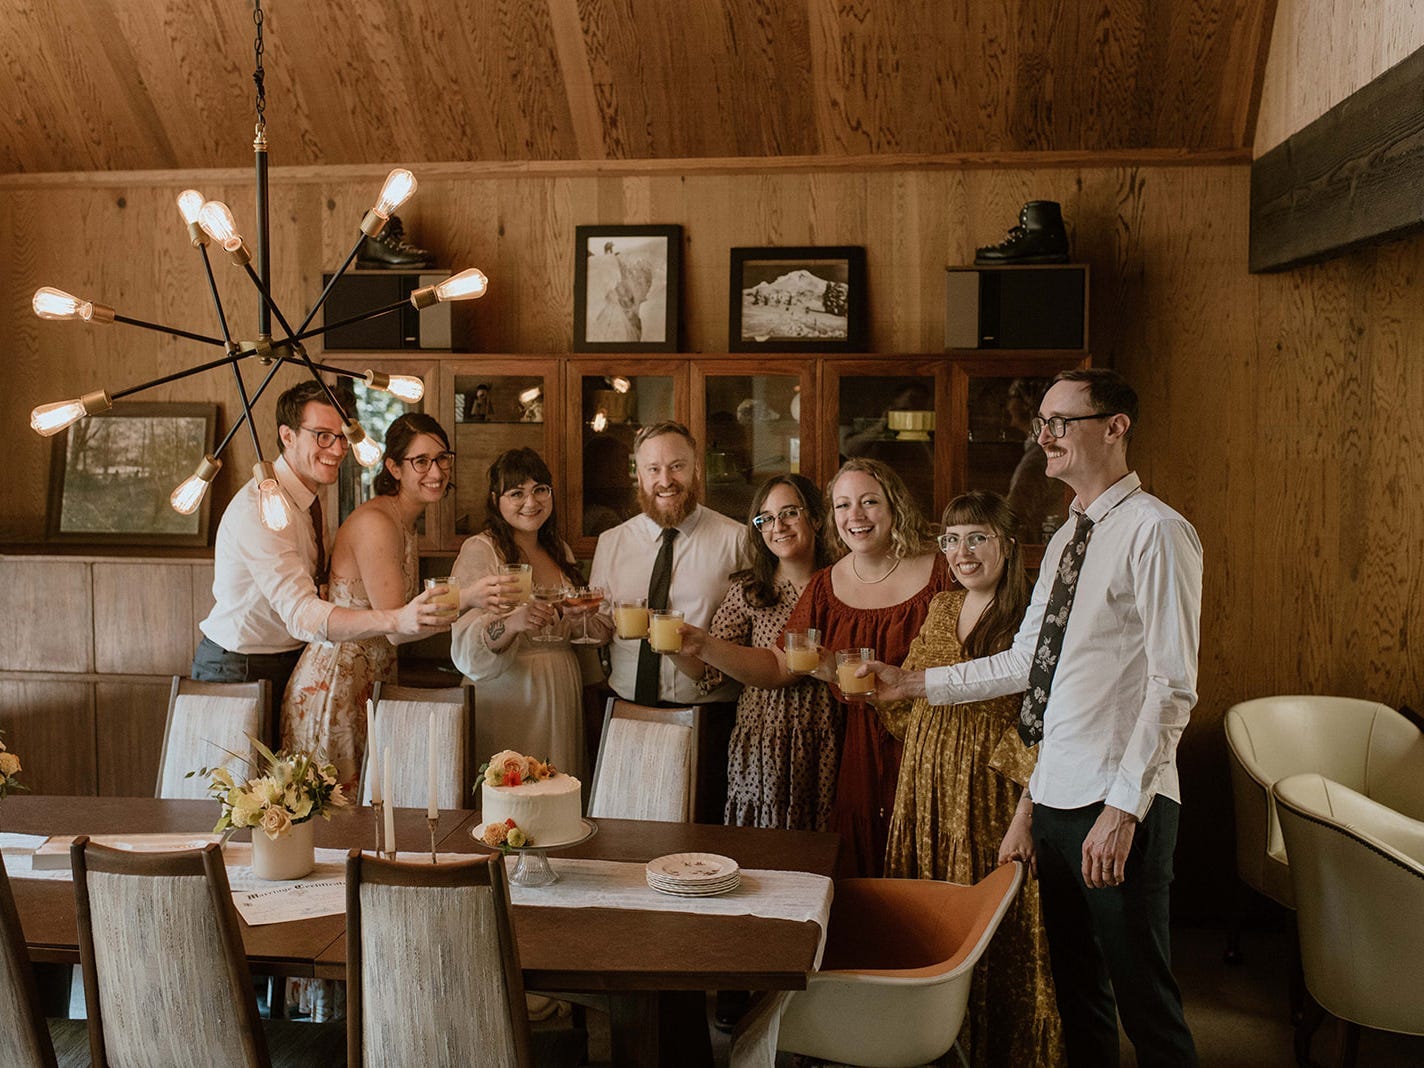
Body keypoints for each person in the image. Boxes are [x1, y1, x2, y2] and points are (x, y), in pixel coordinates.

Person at [869, 369, 1202, 1066]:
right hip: (1054, 799)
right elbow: (1029, 668)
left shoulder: (1158, 533)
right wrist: (911, 683)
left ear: (1115, 428)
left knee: (1146, 1006)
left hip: (1118, 803)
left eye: (1060, 423)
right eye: (1040, 423)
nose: (1043, 437)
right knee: (1079, 996)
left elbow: (1172, 686)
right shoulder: (1063, 539)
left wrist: (1122, 810)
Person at [882, 491, 1063, 1067]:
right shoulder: (939, 606)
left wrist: (1025, 814)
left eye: (977, 537)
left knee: (992, 926)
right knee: (927, 918)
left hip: (993, 795)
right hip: (927, 789)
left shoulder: (1033, 616)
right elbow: (906, 695)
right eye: (952, 539)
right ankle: (923, 1044)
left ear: (1008, 545)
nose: (962, 552)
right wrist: (866, 686)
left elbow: (1046, 721)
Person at [192, 380, 449, 714]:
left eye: (343, 436)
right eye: (323, 436)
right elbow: (302, 615)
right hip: (237, 668)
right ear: (288, 436)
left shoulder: (312, 493)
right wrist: (396, 619)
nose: (338, 449)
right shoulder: (261, 507)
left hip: (291, 660)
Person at [280, 413, 478, 789]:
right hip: (335, 686)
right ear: (394, 467)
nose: (435, 471)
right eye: (420, 461)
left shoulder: (403, 520)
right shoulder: (377, 523)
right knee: (334, 822)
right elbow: (398, 630)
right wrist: (472, 597)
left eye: (442, 458)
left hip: (369, 681)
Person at [588, 421, 749, 820]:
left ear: (696, 470)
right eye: (653, 469)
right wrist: (577, 620)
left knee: (704, 836)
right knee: (625, 830)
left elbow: (750, 635)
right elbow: (600, 628)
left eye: (677, 467)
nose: (665, 480)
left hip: (709, 715)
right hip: (626, 710)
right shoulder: (612, 542)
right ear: (637, 474)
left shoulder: (737, 540)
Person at [670, 474, 840, 831]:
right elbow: (708, 674)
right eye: (766, 519)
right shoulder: (748, 591)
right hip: (763, 737)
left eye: (790, 513)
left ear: (817, 518)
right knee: (763, 843)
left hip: (827, 733)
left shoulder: (842, 583)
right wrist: (672, 650)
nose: (778, 526)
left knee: (824, 838)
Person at [450, 448, 603, 780]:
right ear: (495, 500)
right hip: (509, 691)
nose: (530, 502)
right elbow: (464, 636)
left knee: (557, 786)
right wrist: (512, 623)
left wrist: (579, 617)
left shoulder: (558, 549)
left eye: (540, 490)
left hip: (562, 686)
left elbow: (573, 621)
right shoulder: (482, 549)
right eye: (516, 493)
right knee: (514, 793)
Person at [1005, 377, 1067, 542]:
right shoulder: (1037, 453)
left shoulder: (1039, 458)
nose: (1007, 404)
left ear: (1028, 404)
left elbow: (1015, 511)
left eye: (1013, 396)